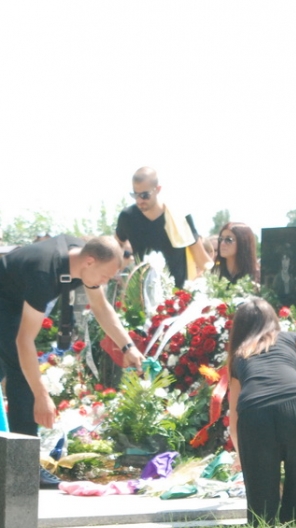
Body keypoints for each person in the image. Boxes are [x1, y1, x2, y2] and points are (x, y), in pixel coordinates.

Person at [0, 234, 144, 487]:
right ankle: (24, 471)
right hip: (5, 299)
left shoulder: (80, 257)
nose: (105, 282)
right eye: (104, 276)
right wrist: (42, 395)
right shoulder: (44, 273)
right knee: (23, 378)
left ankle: (20, 468)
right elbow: (24, 340)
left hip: (13, 298)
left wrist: (127, 346)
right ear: (89, 262)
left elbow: (101, 307)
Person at [228, 297, 296, 526]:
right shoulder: (292, 338)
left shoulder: (239, 355)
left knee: (261, 506)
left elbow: (234, 418)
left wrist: (242, 453)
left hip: (256, 413)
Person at [115, 166, 211, 288]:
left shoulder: (180, 216)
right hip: (141, 292)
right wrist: (117, 270)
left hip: (178, 294)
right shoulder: (127, 217)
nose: (139, 200)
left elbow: (202, 259)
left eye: (145, 195)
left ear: (158, 189)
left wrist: (215, 286)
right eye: (135, 194)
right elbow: (115, 246)